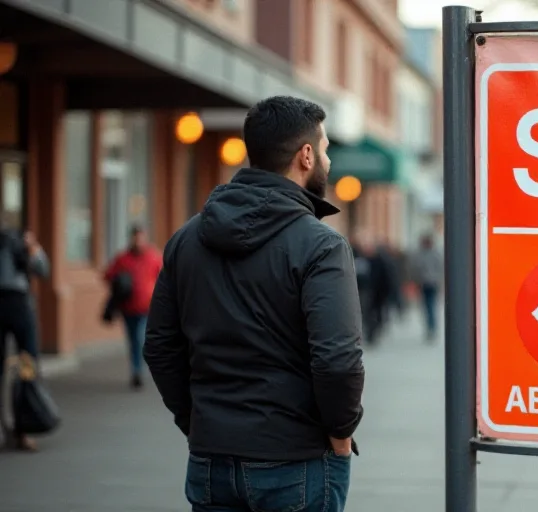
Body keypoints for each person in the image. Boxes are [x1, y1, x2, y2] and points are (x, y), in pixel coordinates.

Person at [144, 95, 364, 512]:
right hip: (297, 459)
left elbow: (159, 346)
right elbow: (337, 359)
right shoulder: (322, 246)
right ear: (305, 155)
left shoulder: (186, 239)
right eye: (326, 149)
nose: (329, 162)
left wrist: (198, 424)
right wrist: (340, 436)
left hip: (211, 457)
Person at [0, 227, 49, 452]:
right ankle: (20, 430)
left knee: (27, 366)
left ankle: (23, 428)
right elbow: (42, 268)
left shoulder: (18, 241)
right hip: (18, 306)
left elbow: (42, 268)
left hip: (19, 306)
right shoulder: (17, 241)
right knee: (27, 364)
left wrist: (32, 248)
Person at [104, 224, 162, 390]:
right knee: (133, 340)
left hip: (147, 308)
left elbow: (164, 277)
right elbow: (108, 275)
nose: (138, 240)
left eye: (141, 237)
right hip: (128, 308)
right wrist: (120, 282)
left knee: (140, 338)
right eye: (135, 237)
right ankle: (136, 370)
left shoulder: (153, 257)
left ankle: (139, 370)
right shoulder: (123, 258)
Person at [409, 233, 443, 341]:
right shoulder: (434, 253)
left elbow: (414, 268)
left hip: (427, 283)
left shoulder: (420, 254)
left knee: (429, 306)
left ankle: (431, 327)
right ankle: (431, 327)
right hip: (428, 283)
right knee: (429, 305)